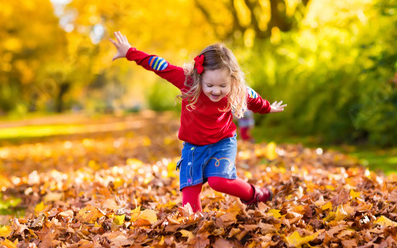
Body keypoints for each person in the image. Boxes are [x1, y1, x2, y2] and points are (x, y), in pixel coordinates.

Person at [110, 31, 287, 212]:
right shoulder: (188, 81)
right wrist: (130, 52)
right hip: (193, 147)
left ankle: (254, 194)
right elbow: (159, 65)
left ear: (232, 80)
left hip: (222, 142)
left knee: (219, 181)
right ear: (199, 77)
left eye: (222, 86)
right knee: (189, 205)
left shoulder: (235, 88)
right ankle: (197, 229)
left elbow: (253, 97)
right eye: (210, 85)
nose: (216, 91)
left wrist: (267, 107)